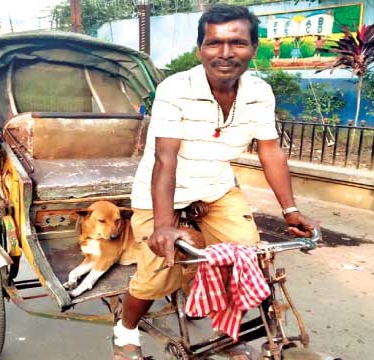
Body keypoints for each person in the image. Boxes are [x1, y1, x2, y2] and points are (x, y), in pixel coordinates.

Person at [111, 4, 318, 360]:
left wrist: (291, 210)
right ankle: (125, 329)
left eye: (237, 43)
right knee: (161, 271)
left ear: (254, 48)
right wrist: (163, 226)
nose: (225, 53)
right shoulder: (175, 89)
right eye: (214, 43)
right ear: (199, 49)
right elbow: (165, 159)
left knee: (244, 257)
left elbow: (270, 151)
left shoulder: (259, 92)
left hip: (216, 187)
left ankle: (226, 331)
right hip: (161, 190)